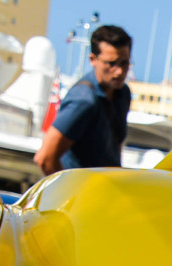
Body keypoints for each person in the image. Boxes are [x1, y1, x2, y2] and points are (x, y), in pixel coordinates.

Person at [34, 25, 132, 174]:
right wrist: (70, 193)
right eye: (111, 64)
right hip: (81, 193)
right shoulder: (84, 100)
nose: (119, 71)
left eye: (124, 63)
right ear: (93, 59)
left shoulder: (123, 94)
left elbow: (114, 149)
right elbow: (45, 158)